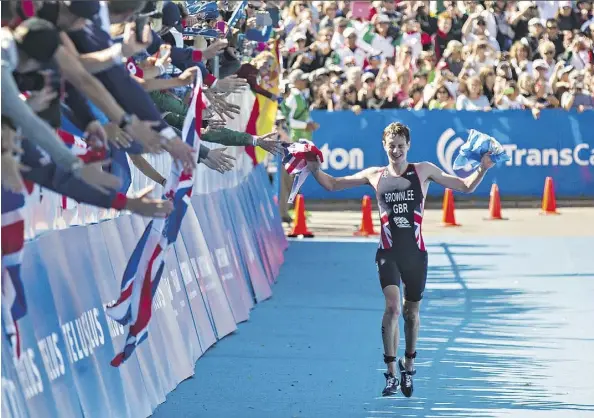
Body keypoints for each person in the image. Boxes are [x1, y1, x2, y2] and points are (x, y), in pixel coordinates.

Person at [305, 122, 494, 398]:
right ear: (384, 145)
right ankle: (391, 373)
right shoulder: (375, 175)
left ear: (409, 146)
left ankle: (410, 363)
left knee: (411, 314)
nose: (396, 150)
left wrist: (483, 168)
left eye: (401, 146)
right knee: (393, 307)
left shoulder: (423, 170)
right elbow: (334, 184)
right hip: (388, 253)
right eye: (391, 146)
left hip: (415, 255)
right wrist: (315, 170)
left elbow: (464, 186)